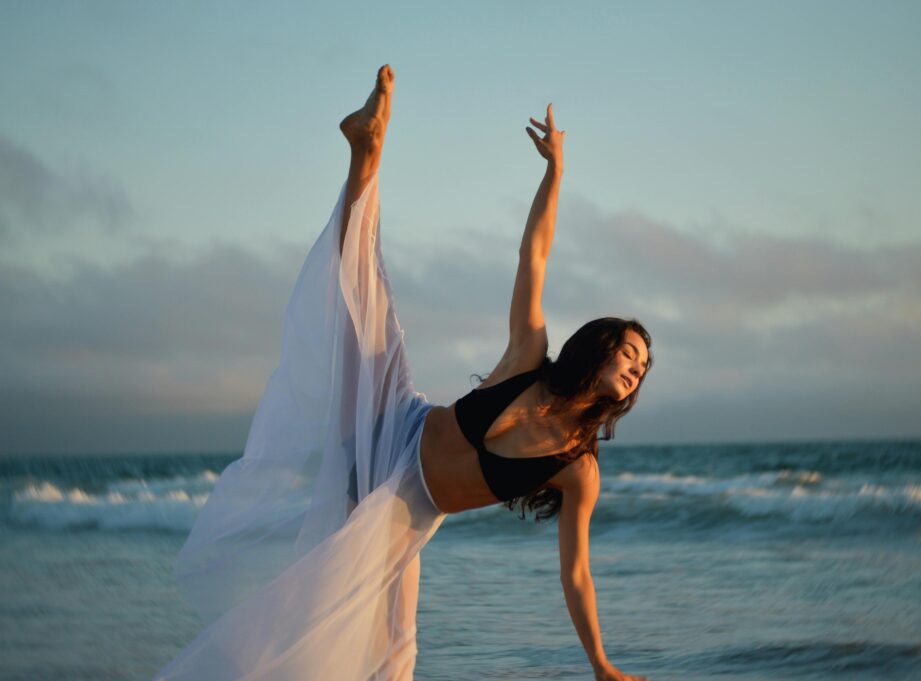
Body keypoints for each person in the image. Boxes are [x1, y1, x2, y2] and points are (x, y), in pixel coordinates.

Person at [155, 65, 651, 681]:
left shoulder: (579, 468)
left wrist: (600, 663)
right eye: (629, 353)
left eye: (643, 367)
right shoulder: (530, 358)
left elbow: (576, 572)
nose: (636, 369)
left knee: (381, 661)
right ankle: (367, 148)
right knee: (360, 299)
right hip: (396, 425)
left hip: (404, 510)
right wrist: (556, 174)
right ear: (597, 348)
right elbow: (535, 253)